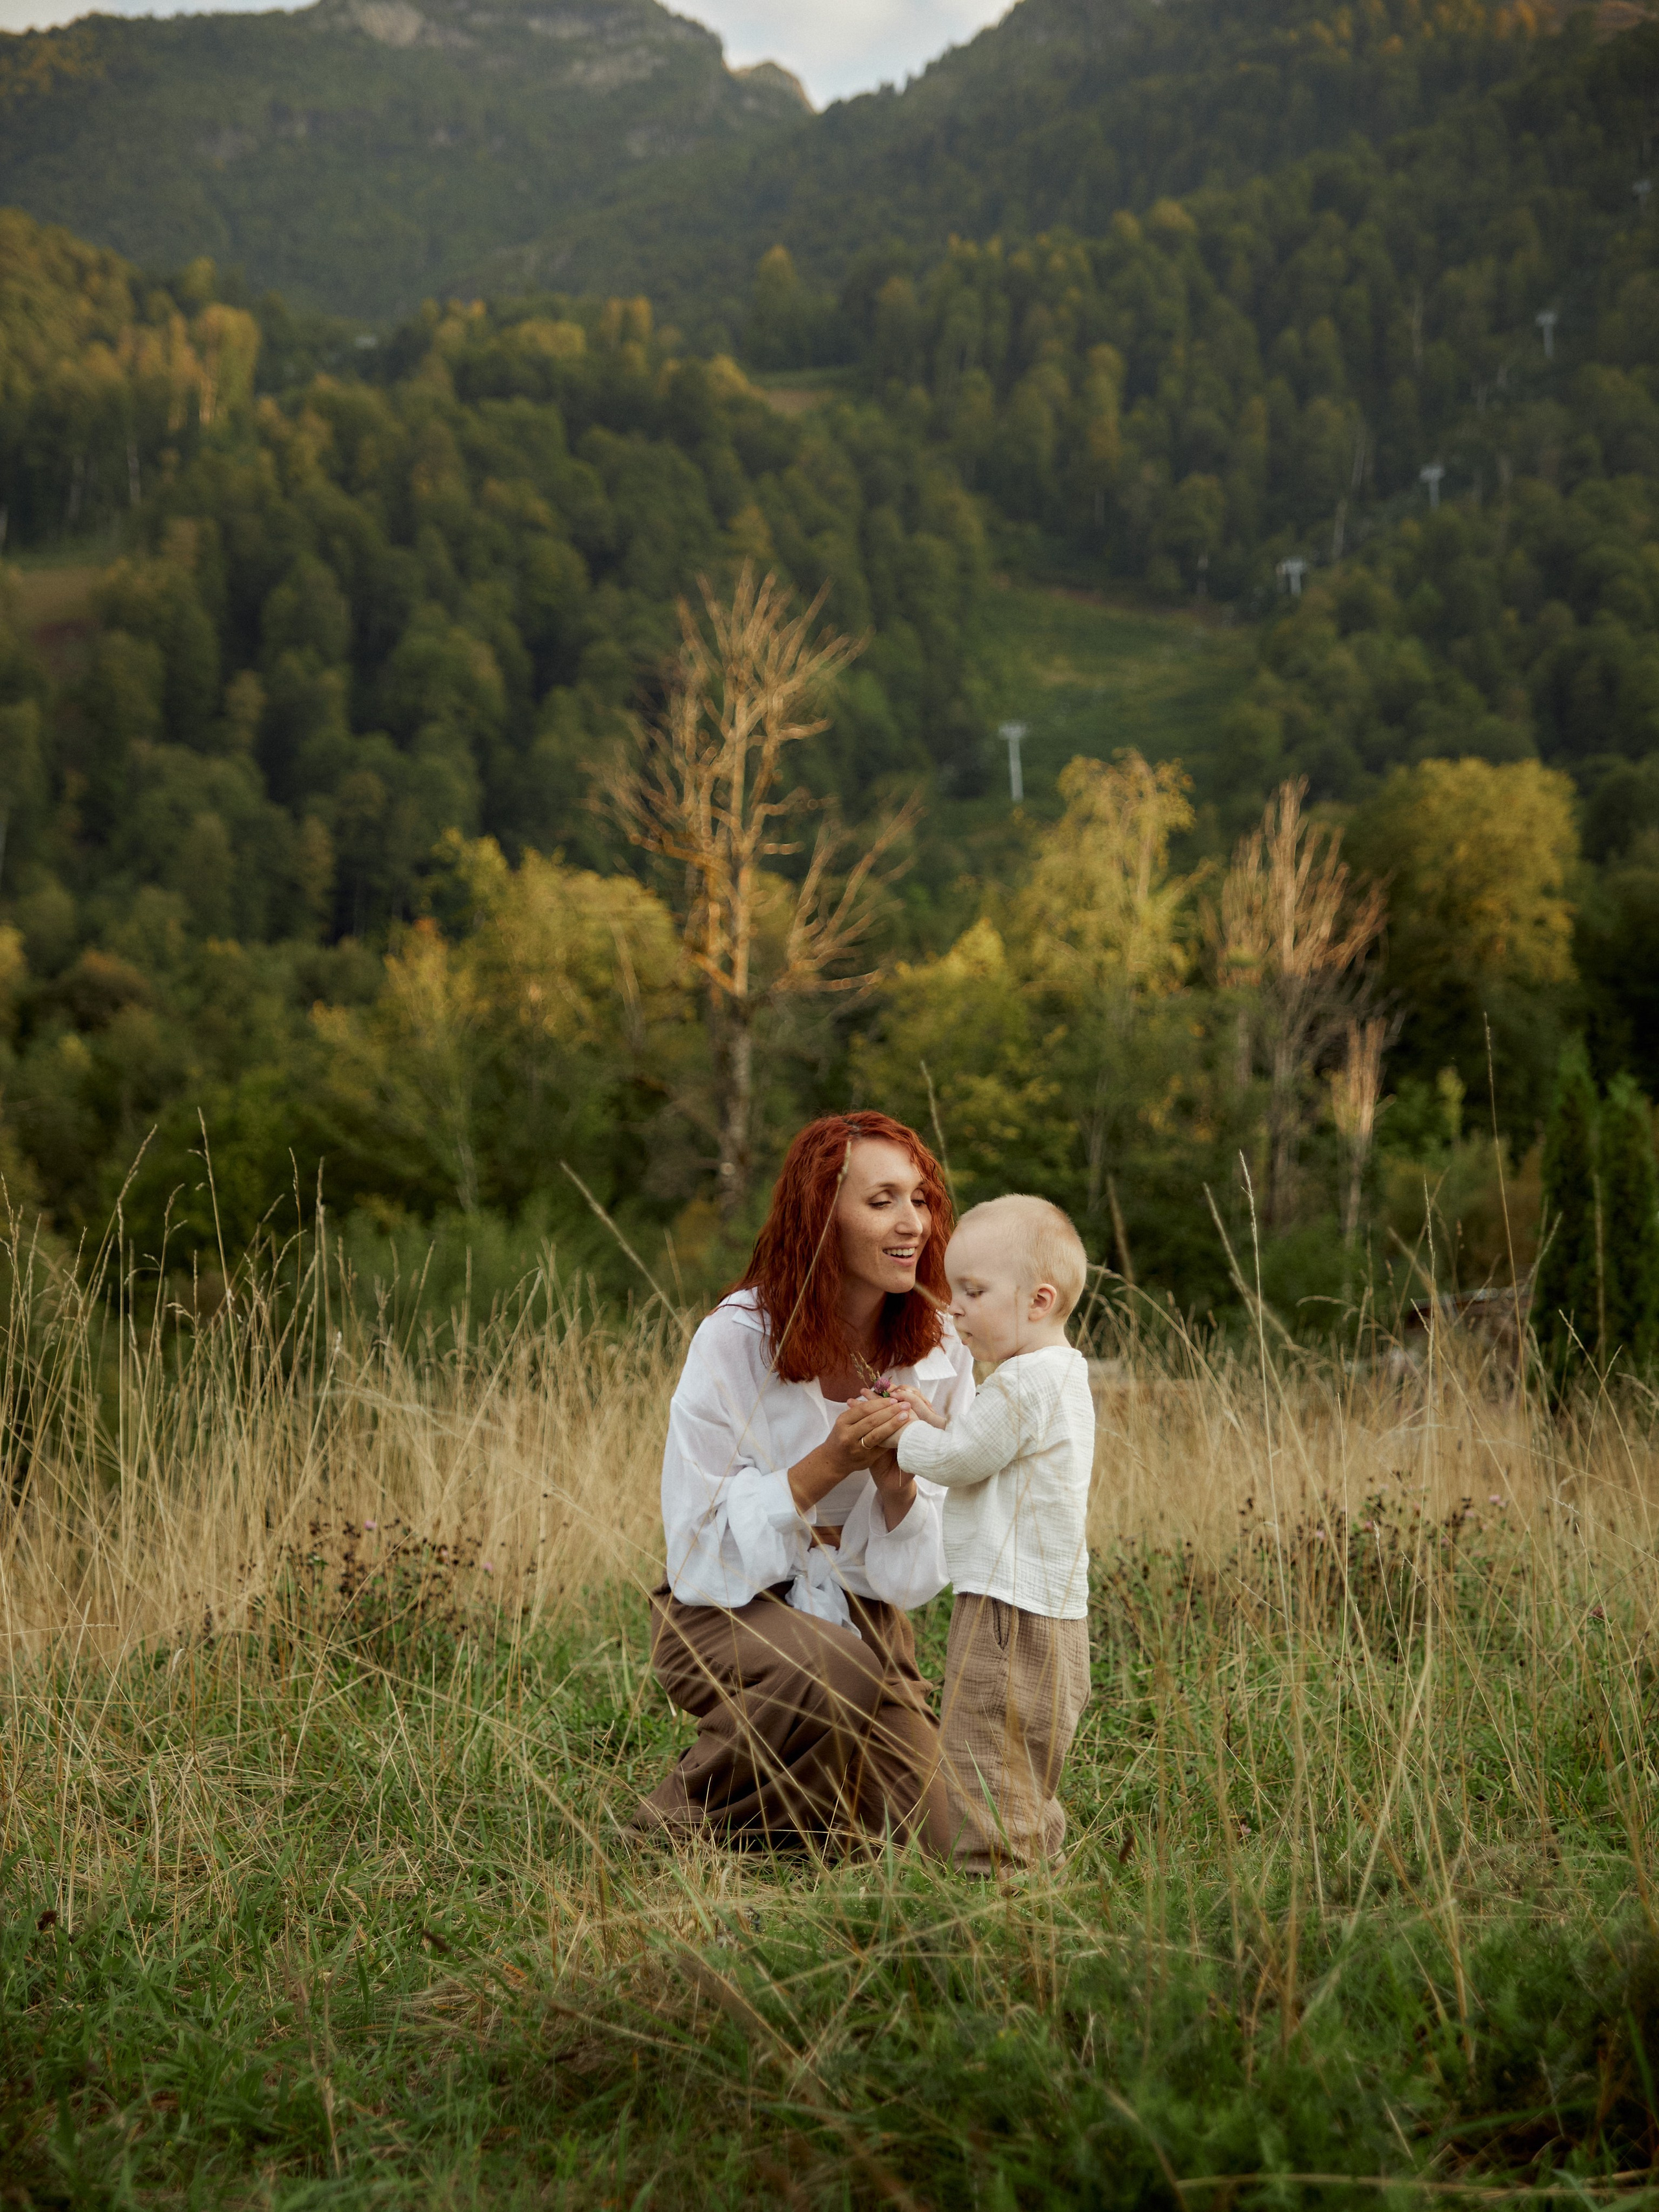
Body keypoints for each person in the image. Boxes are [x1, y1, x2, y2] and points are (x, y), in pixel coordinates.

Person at [633, 1112, 973, 1856]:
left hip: (866, 1616)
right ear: (822, 1213)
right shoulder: (737, 1336)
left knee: (957, 1842)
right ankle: (670, 1828)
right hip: (721, 1609)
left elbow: (920, 1578)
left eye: (920, 1198)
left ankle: (793, 1832)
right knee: (830, 1667)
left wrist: (897, 1488)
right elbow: (697, 1551)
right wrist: (829, 1461)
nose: (911, 1221)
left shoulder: (941, 1345)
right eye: (881, 1200)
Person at [894, 1193, 1095, 1873]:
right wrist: (935, 1419)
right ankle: (1035, 1862)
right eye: (953, 1290)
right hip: (1053, 1609)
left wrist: (903, 1435)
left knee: (984, 1739)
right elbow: (983, 1452)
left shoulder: (1019, 1383)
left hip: (1006, 1605)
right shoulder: (1060, 1374)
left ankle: (994, 1881)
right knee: (1027, 1749)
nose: (954, 1307)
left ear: (1038, 1300)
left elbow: (958, 1461)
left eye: (973, 1291)